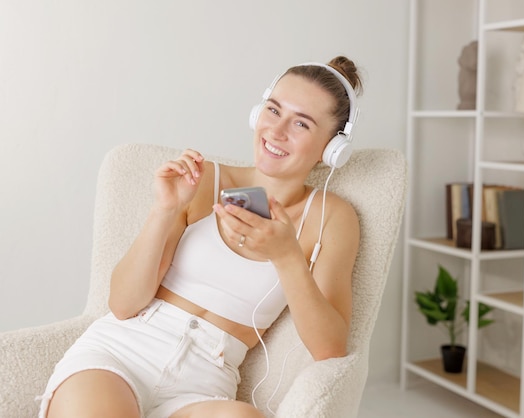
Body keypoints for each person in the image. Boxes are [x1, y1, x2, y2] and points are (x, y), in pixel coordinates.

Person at [39, 55, 364, 418]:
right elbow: (123, 304)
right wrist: (163, 210)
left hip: (203, 384)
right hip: (120, 355)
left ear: (333, 150)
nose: (276, 130)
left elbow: (329, 349)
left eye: (301, 123)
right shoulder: (205, 178)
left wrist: (287, 256)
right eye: (273, 110)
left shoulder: (332, 217)